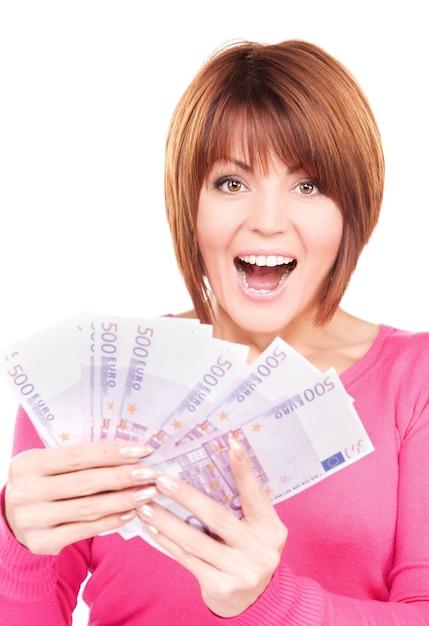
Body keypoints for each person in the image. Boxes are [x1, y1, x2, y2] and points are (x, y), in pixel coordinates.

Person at [1, 38, 428, 625]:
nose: (268, 221)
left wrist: (271, 604)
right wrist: (14, 545)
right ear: (189, 203)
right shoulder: (92, 381)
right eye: (231, 182)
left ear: (353, 207)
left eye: (308, 186)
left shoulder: (416, 382)